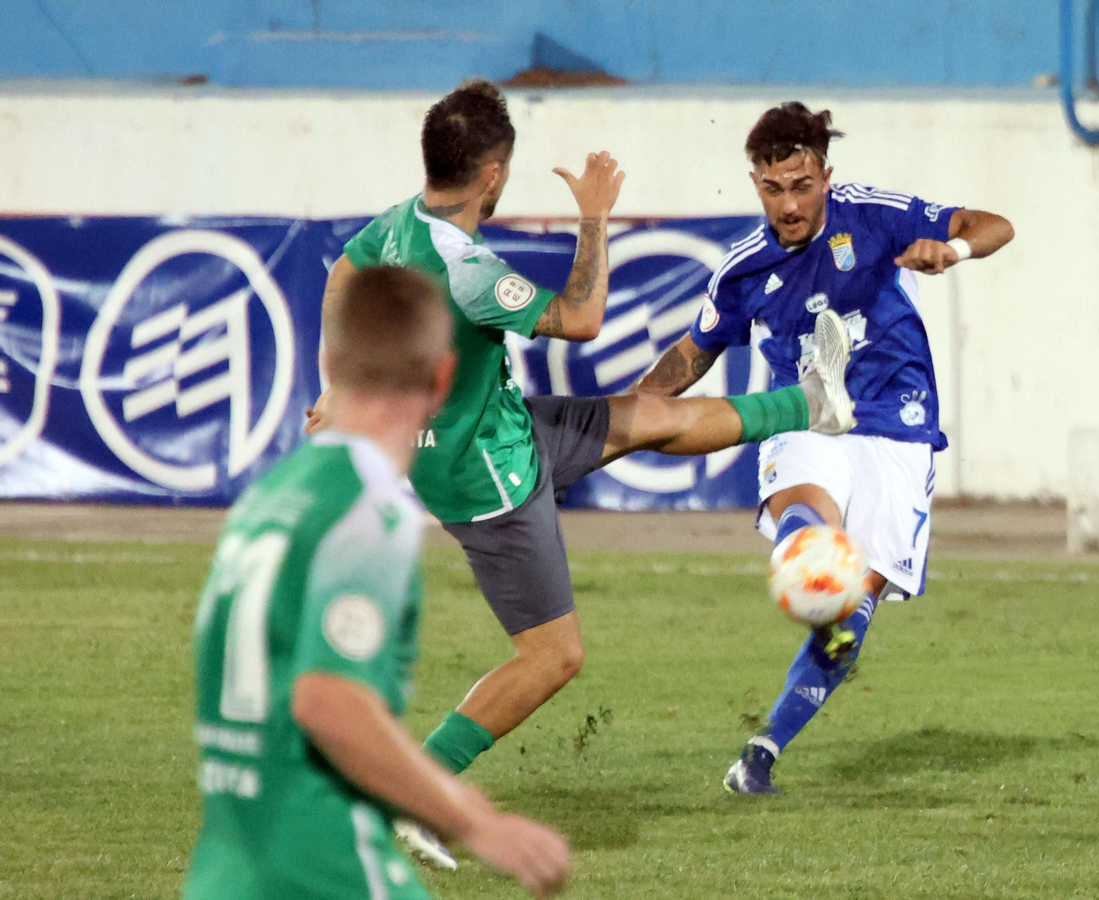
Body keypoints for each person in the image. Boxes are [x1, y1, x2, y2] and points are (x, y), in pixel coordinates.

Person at [307, 81, 854, 859]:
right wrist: (594, 216)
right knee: (553, 657)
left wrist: (338, 379)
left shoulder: (399, 226)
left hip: (496, 429)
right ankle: (414, 793)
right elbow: (583, 318)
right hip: (489, 480)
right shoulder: (467, 268)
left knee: (647, 416)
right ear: (493, 173)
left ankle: (815, 402)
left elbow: (341, 277)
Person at [633, 101, 1015, 794]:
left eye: (802, 186)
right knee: (813, 530)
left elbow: (994, 225)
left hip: (898, 423)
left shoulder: (871, 215)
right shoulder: (743, 270)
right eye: (773, 188)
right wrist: (621, 418)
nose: (789, 204)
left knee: (853, 609)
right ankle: (809, 559)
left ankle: (759, 756)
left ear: (825, 177)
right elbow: (691, 355)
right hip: (807, 414)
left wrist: (952, 250)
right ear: (755, 185)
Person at [186, 266, 569, 900]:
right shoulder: (366, 511)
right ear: (443, 378)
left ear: (331, 365)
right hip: (323, 865)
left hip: (227, 866)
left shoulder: (267, 498)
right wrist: (473, 822)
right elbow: (328, 701)